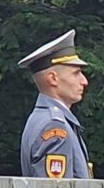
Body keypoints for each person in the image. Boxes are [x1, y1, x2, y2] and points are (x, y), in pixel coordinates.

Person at [17, 30, 93, 179]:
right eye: (76, 73)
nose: (84, 81)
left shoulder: (43, 119)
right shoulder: (54, 127)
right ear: (52, 79)